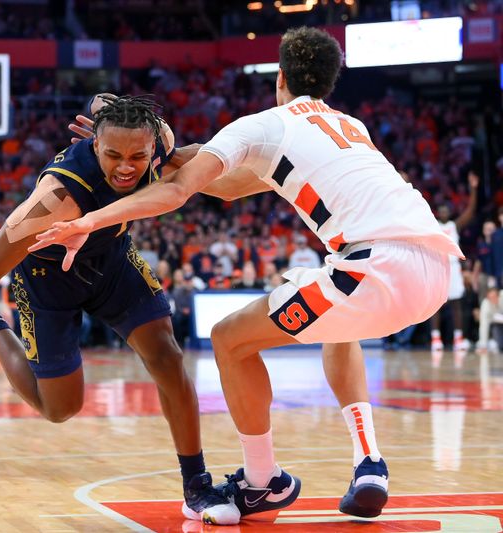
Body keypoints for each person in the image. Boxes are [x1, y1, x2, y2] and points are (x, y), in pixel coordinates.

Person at [32, 28, 463, 522]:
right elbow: (232, 187)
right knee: (340, 326)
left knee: (229, 339)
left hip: (373, 268)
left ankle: (262, 483)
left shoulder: (263, 123)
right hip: (435, 268)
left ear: (278, 77)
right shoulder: (349, 125)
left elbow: (181, 193)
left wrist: (88, 220)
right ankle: (369, 462)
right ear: (327, 84)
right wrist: (165, 152)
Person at [0, 94, 241, 525]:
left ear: (153, 147)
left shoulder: (161, 140)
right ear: (94, 145)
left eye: (138, 156)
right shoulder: (56, 197)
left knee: (167, 355)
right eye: (113, 155)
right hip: (49, 276)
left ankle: (196, 486)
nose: (126, 166)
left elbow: (171, 148)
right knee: (60, 409)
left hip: (110, 258)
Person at [430, 171, 478, 351]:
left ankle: (458, 337)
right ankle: (436, 339)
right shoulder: (432, 226)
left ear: (449, 212)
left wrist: (473, 189)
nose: (443, 212)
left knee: (456, 303)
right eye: (441, 210)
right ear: (437, 213)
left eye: (446, 210)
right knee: (436, 305)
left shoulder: (453, 226)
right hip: (438, 268)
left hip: (453, 267)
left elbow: (470, 211)